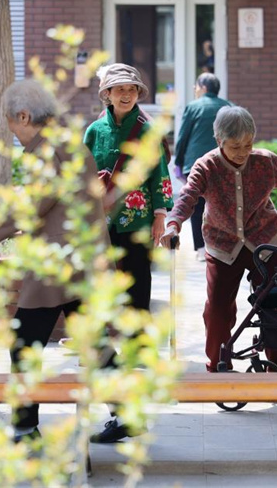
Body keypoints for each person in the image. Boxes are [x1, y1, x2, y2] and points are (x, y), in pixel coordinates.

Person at [0, 79, 111, 442]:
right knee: (94, 342)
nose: (11, 132)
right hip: (80, 256)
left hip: (57, 262)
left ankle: (25, 427)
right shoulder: (65, 140)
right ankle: (126, 410)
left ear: (24, 115)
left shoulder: (45, 149)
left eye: (11, 123)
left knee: (25, 342)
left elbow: (31, 205)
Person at [161, 106, 277, 373]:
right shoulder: (206, 166)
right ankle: (219, 363)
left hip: (265, 243)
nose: (243, 152)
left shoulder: (265, 161)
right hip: (223, 246)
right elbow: (187, 197)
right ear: (219, 141)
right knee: (218, 310)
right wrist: (173, 224)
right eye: (235, 146)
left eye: (248, 144)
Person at [83, 63, 173, 443]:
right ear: (105, 94)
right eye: (118, 89)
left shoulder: (148, 129)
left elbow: (160, 174)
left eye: (132, 89)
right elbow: (82, 171)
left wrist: (159, 215)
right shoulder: (94, 130)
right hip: (103, 226)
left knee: (137, 298)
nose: (126, 95)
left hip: (136, 224)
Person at [173, 73, 232, 261]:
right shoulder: (228, 107)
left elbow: (183, 137)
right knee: (220, 205)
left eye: (196, 86)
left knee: (197, 206)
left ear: (203, 87)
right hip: (223, 163)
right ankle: (220, 245)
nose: (194, 89)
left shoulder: (193, 107)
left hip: (195, 163)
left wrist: (178, 161)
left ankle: (200, 248)